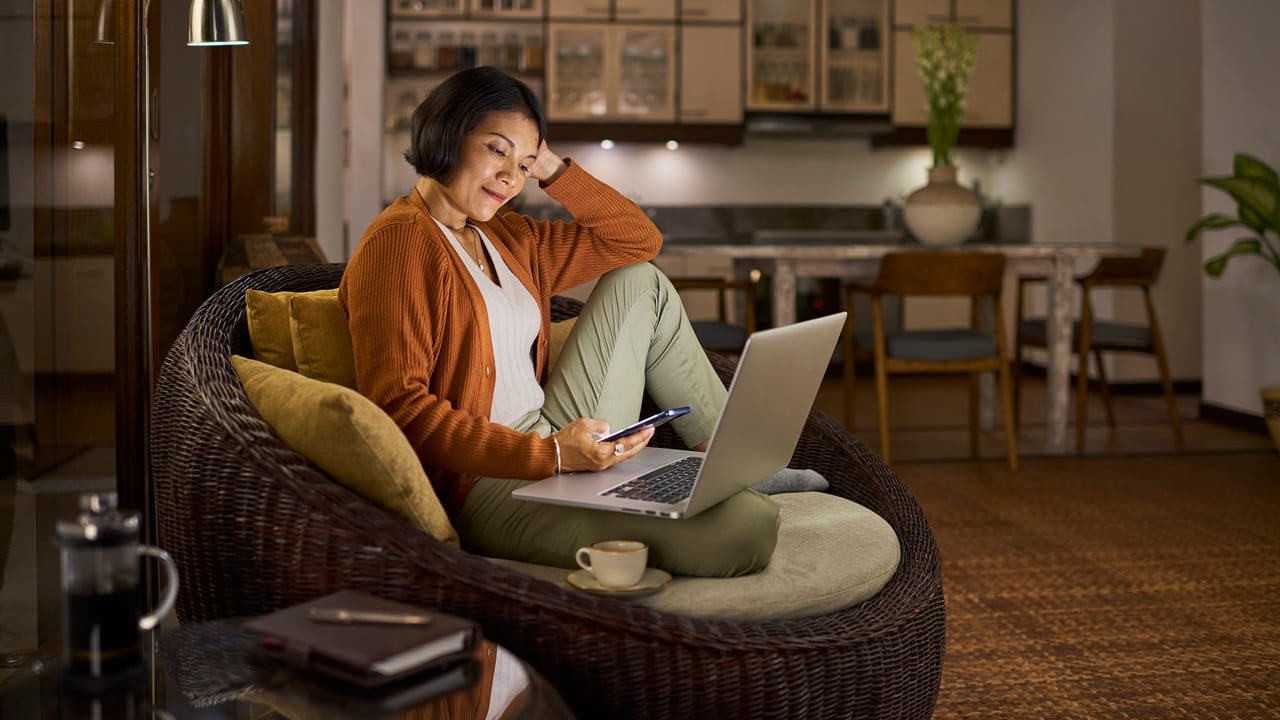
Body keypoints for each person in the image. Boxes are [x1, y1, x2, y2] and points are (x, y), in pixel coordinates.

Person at [339, 67, 778, 577]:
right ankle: (735, 490)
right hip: (486, 482)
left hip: (553, 429)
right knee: (748, 527)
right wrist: (549, 455)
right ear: (447, 134)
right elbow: (400, 410)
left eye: (523, 163)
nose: (511, 176)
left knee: (640, 280)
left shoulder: (508, 235)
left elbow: (638, 241)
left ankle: (726, 465)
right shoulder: (400, 242)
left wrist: (550, 165)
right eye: (498, 149)